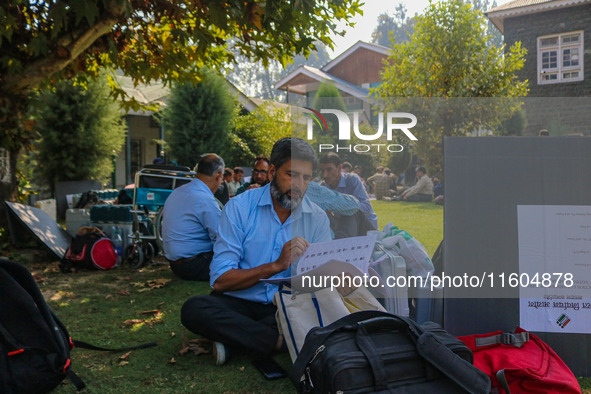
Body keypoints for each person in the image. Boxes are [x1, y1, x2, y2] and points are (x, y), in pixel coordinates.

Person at [180, 138, 331, 365]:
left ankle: (234, 342)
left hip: (285, 305)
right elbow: (220, 281)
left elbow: (321, 279)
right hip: (238, 301)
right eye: (291, 174)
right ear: (271, 172)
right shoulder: (239, 208)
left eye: (306, 177)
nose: (299, 185)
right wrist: (276, 266)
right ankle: (279, 342)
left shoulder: (317, 217)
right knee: (194, 309)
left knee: (315, 312)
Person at [161, 154, 224, 281]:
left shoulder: (178, 192)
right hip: (194, 265)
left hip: (176, 264)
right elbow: (221, 238)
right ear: (218, 176)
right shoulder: (204, 199)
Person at [319, 153, 378, 229]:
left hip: (365, 226)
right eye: (322, 171)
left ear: (339, 168)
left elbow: (366, 207)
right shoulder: (323, 187)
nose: (324, 175)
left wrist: (339, 206)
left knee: (351, 213)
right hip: (343, 227)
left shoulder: (352, 180)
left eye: (329, 170)